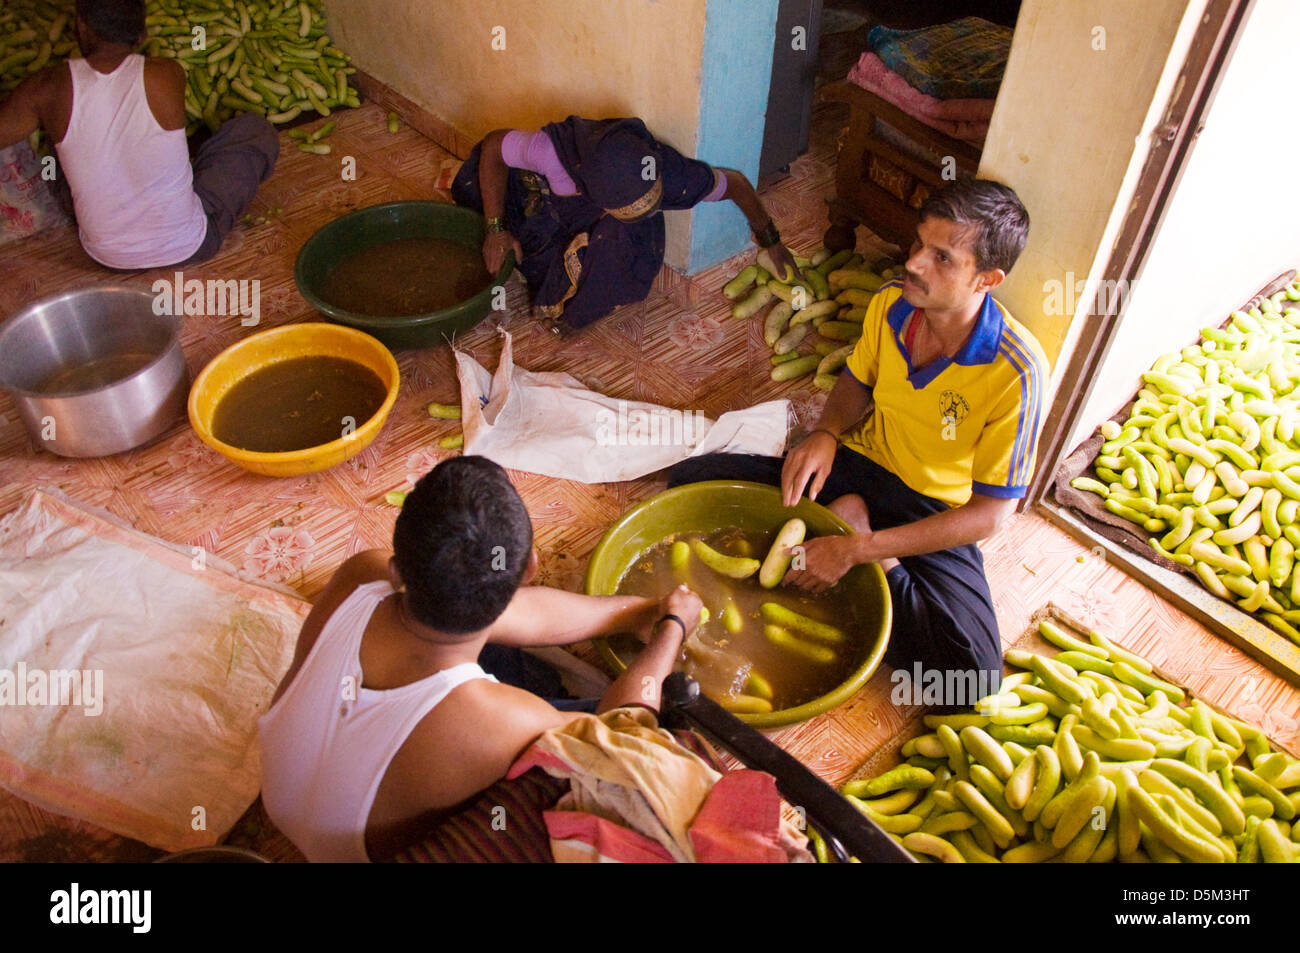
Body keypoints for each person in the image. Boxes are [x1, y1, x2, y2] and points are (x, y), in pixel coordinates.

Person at [668, 179, 1046, 703]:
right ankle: (851, 530)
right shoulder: (893, 303)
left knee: (972, 680)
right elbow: (857, 379)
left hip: (928, 506)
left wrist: (859, 548)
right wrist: (825, 432)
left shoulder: (1017, 370)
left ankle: (865, 544)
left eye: (942, 257)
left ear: (988, 278)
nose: (914, 264)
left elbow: (988, 516)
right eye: (919, 245)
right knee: (691, 478)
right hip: (858, 461)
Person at [258, 455, 703, 862]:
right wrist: (672, 632)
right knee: (655, 726)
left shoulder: (364, 574)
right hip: (347, 855)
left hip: (278, 798)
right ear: (530, 567)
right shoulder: (505, 721)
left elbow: (524, 614)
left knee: (487, 636)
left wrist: (645, 611)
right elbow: (623, 734)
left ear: (399, 567)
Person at [0, 0, 278, 270]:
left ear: (81, 27)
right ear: (142, 34)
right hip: (190, 245)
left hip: (105, 254)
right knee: (254, 131)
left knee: (57, 149)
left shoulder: (45, 88)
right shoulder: (168, 74)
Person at [452, 115, 797, 331]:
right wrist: (496, 228)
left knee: (626, 252)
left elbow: (734, 183)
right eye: (632, 210)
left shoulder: (673, 174)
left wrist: (771, 240)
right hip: (545, 204)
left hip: (591, 219)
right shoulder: (554, 154)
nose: (646, 212)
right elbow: (495, 145)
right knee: (480, 196)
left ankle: (573, 311)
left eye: (649, 203)